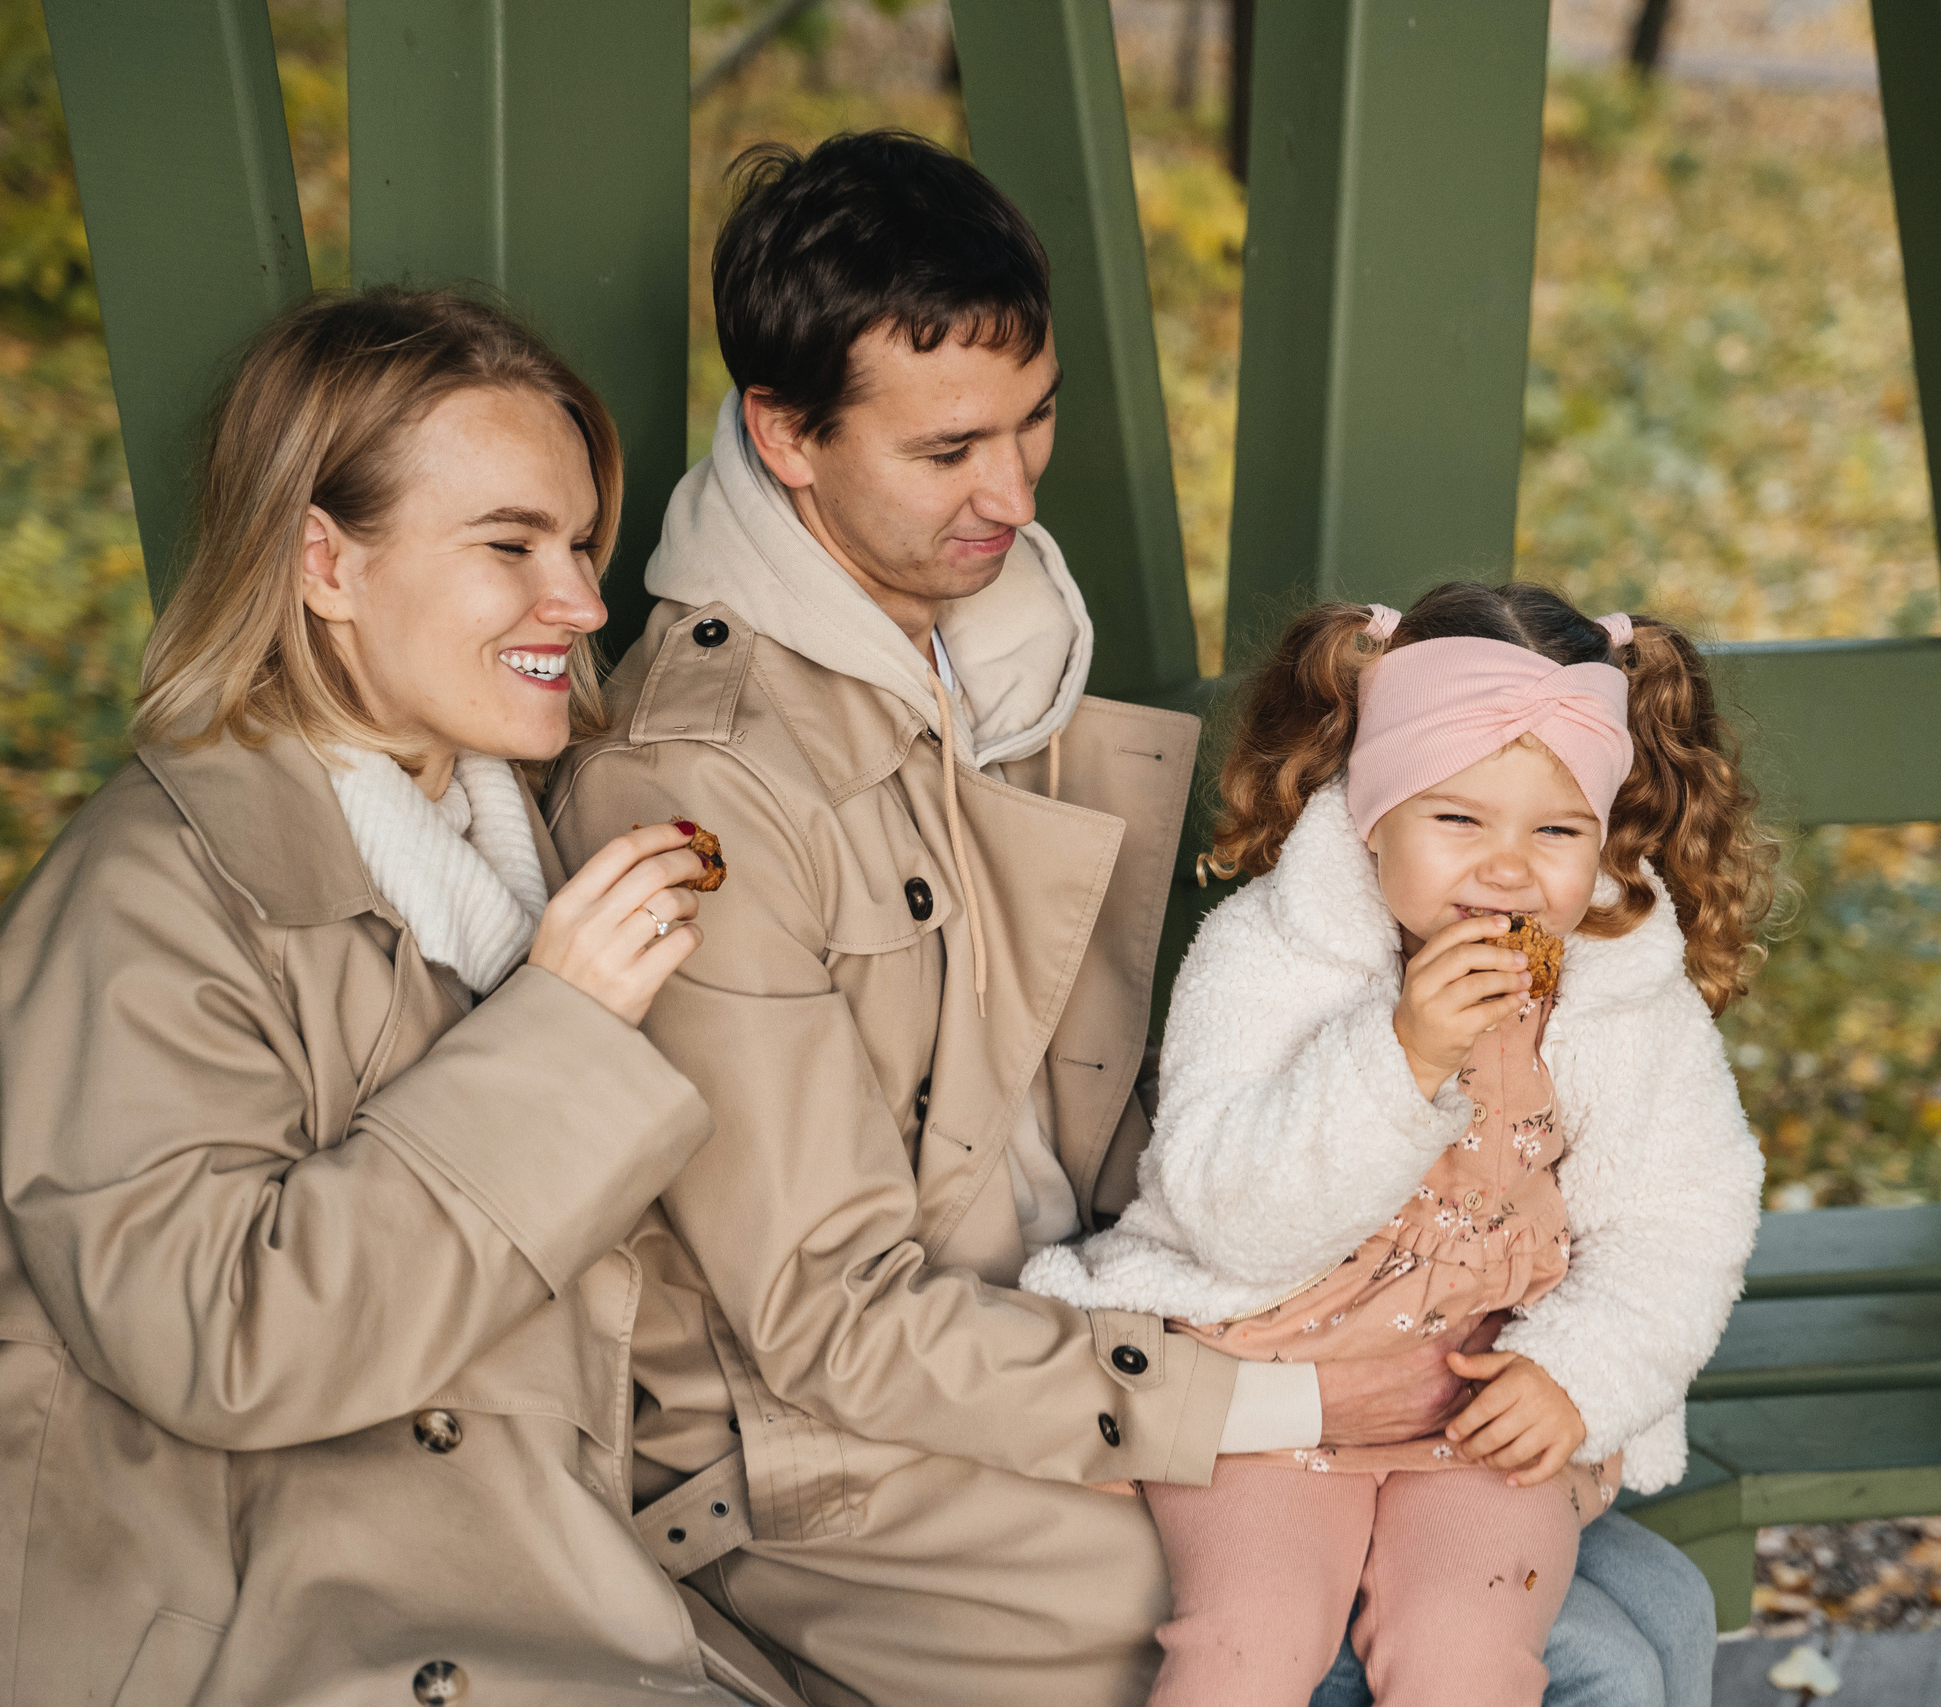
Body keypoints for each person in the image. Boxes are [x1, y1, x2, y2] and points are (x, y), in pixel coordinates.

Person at [546, 130, 1719, 1706]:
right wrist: (1282, 1401)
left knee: (1653, 1598)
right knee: (1560, 1658)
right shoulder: (698, 787)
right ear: (785, 433)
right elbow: (827, 1322)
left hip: (1108, 1324)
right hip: (841, 1456)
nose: (1014, 491)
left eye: (1033, 424)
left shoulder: (997, 658)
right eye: (949, 448)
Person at [0, 288, 801, 1707]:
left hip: (548, 1580)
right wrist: (556, 1034)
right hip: (245, 1637)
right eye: (510, 546)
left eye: (582, 545)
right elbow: (221, 1337)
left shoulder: (515, 854)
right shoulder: (144, 898)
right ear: (325, 562)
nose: (583, 602)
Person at [1024, 583, 1775, 1704]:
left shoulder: (1622, 995)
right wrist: (1401, 1056)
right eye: (1458, 819)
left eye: (1557, 830)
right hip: (1262, 1385)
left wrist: (1575, 1376)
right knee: (1251, 1643)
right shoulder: (1269, 959)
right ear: (1372, 810)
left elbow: (1684, 1219)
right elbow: (1228, 1208)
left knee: (1463, 1655)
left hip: (1480, 1405)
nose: (1509, 869)